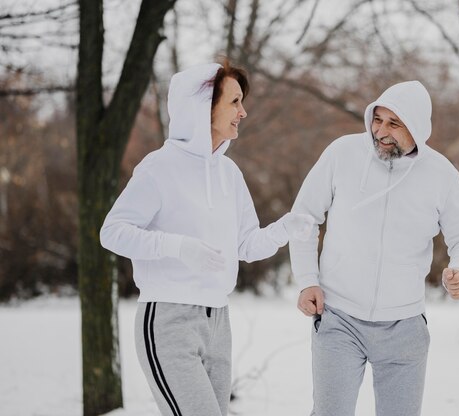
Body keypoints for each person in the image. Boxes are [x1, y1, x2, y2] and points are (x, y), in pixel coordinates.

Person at [100, 61, 314, 416]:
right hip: (168, 320)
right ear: (203, 107)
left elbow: (246, 245)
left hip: (218, 321)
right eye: (234, 102)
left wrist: (285, 228)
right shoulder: (159, 167)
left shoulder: (229, 173)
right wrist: (178, 247)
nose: (242, 112)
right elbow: (113, 232)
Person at [289, 80, 459, 416]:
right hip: (339, 318)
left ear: (418, 128)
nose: (381, 131)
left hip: (404, 326)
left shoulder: (441, 174)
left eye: (394, 123)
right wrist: (307, 278)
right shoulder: (342, 154)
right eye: (378, 120)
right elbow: (304, 217)